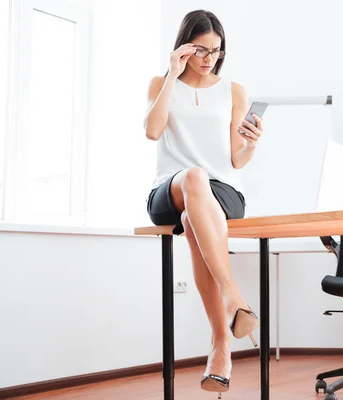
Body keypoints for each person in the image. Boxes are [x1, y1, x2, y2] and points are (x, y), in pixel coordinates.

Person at [143, 9, 263, 398]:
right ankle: (231, 295)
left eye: (216, 50)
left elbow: (234, 160)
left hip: (221, 190)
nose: (210, 57)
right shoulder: (162, 84)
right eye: (201, 49)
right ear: (183, 47)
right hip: (170, 187)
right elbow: (152, 131)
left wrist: (252, 144)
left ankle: (221, 346)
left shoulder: (234, 91)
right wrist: (171, 77)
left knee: (198, 209)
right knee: (193, 178)